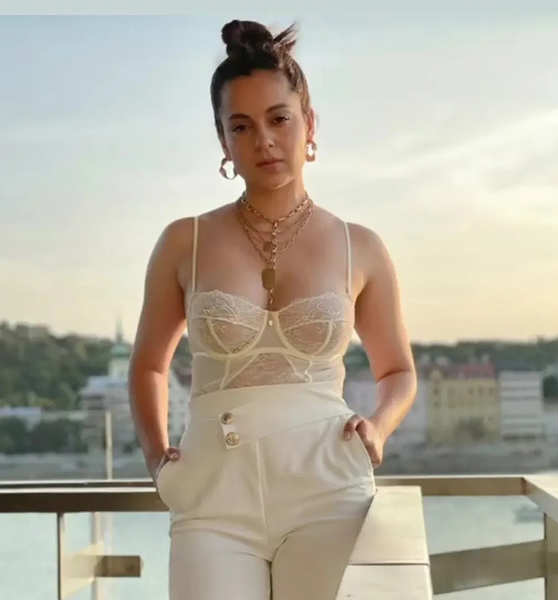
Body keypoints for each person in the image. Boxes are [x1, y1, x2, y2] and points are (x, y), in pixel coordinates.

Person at [128, 18, 417, 600]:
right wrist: (159, 461)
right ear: (223, 143)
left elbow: (398, 371)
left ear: (309, 124)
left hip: (329, 488)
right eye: (242, 126)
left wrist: (379, 426)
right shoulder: (185, 241)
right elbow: (149, 366)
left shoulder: (359, 246)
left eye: (279, 119)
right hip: (211, 499)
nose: (263, 140)